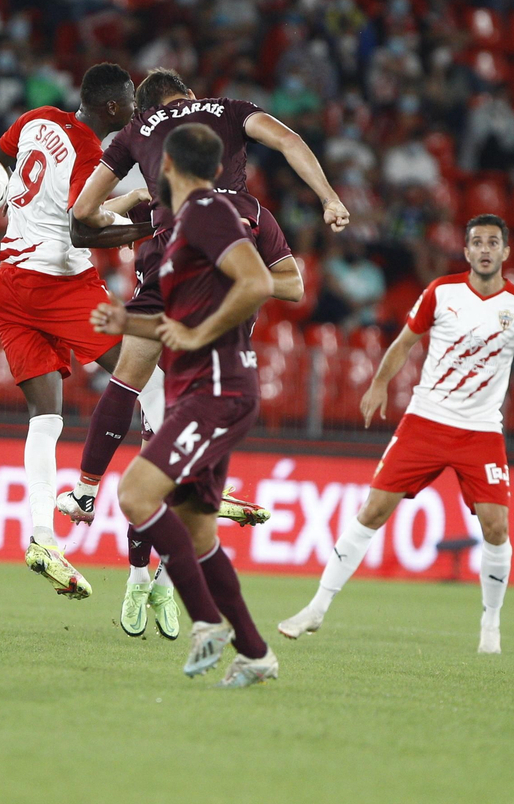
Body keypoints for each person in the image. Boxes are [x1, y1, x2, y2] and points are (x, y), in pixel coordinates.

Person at [65, 66, 350, 638]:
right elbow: (289, 141)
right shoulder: (237, 152)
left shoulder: (136, 142)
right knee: (171, 468)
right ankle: (162, 589)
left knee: (132, 400)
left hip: (167, 281)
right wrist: (328, 198)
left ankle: (90, 496)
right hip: (224, 333)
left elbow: (83, 215)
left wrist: (138, 207)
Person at [278, 214, 514, 655]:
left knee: (496, 527)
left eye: (493, 243)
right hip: (425, 420)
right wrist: (379, 384)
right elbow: (404, 342)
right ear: (466, 251)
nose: (484, 249)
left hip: (480, 431)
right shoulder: (442, 291)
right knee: (372, 511)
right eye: (477, 242)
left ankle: (491, 626)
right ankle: (316, 608)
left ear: (505, 252)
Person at [91, 123, 280, 688]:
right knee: (198, 534)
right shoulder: (180, 229)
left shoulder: (204, 211)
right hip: (202, 389)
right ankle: (255, 653)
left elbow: (258, 283)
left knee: (135, 494)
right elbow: (179, 323)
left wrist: (199, 336)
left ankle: (205, 622)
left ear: (166, 166)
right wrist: (128, 323)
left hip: (216, 391)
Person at [0, 63, 154, 601]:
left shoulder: (36, 119)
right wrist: (152, 228)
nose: (136, 108)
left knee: (46, 418)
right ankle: (192, 482)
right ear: (112, 108)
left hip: (9, 283)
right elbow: (82, 229)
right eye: (131, 101)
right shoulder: (87, 150)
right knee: (147, 374)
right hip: (58, 283)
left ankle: (42, 537)